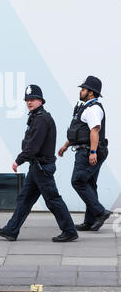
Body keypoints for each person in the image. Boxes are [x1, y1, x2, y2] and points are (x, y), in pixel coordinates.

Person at [0, 85, 78, 243]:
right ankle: (11, 230)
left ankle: (69, 231)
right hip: (36, 167)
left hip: (42, 167)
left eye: (32, 99)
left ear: (40, 100)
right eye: (27, 100)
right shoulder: (36, 117)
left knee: (53, 200)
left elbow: (33, 145)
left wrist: (19, 160)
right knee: (24, 199)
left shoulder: (42, 119)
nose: (29, 102)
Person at [58, 76, 110, 231]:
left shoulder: (93, 109)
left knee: (78, 181)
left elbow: (94, 131)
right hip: (85, 149)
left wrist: (93, 152)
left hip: (88, 152)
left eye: (83, 89)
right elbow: (79, 132)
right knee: (89, 184)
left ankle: (100, 212)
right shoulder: (84, 107)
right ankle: (90, 221)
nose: (81, 91)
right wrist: (66, 145)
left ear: (91, 93)